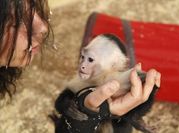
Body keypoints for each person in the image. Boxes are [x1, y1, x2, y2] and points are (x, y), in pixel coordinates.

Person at [0, 0, 161, 131]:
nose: (44, 28)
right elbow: (62, 104)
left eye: (35, 6)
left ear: (116, 65)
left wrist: (137, 110)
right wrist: (86, 112)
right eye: (13, 21)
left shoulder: (123, 77)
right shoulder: (80, 83)